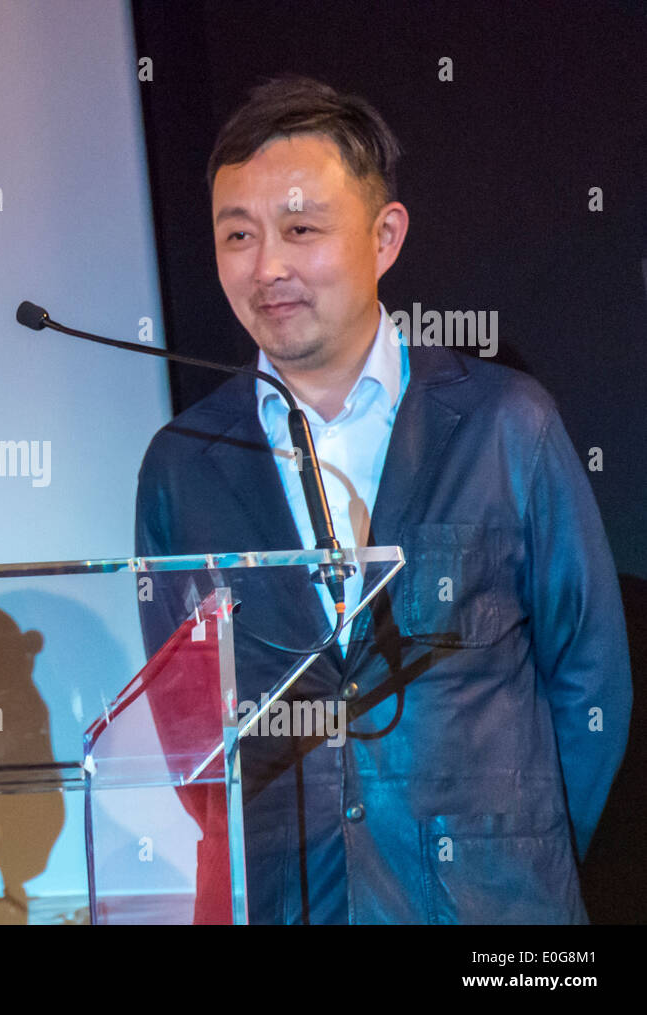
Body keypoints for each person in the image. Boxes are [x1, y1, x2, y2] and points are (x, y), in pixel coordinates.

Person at [134, 75, 631, 924]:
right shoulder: (184, 464)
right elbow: (191, 742)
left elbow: (591, 685)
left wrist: (515, 858)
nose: (268, 268)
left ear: (385, 235)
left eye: (300, 230)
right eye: (238, 235)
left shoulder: (505, 422)